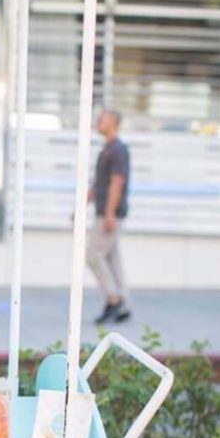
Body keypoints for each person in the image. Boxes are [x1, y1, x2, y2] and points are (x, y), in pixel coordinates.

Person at [87, 108, 130, 323]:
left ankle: (114, 300)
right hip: (106, 212)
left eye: (101, 119)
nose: (97, 122)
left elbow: (116, 182)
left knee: (93, 256)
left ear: (112, 122)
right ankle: (123, 302)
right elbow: (99, 184)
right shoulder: (107, 150)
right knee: (112, 258)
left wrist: (110, 214)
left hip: (109, 213)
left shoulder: (118, 150)